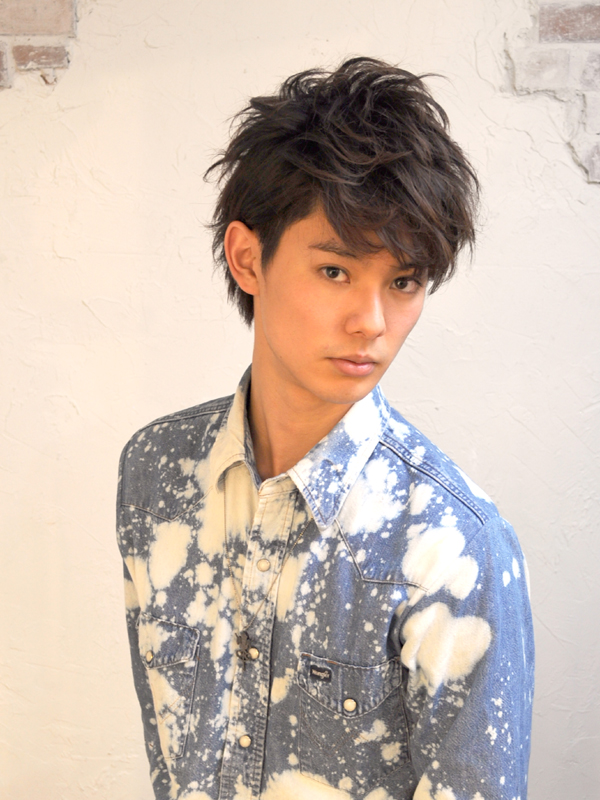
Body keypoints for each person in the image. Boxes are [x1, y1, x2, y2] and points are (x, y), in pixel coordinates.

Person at [117, 57, 534, 800]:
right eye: (336, 271)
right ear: (248, 258)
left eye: (403, 281)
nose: (371, 322)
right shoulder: (156, 472)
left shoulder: (452, 545)